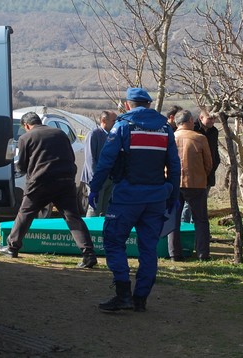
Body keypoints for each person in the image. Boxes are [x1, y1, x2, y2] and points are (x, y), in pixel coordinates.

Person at [88, 87, 180, 313]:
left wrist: (95, 188)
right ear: (148, 104)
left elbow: (106, 161)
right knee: (148, 248)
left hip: (126, 198)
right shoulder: (165, 129)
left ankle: (123, 295)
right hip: (156, 198)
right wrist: (173, 195)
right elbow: (174, 165)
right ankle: (140, 299)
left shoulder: (123, 126)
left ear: (128, 105)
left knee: (113, 241)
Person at [0, 112, 98, 269]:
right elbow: (70, 157)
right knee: (73, 218)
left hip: (40, 182)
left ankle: (12, 247)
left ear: (26, 125)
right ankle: (89, 254)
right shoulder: (60, 133)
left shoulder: (26, 138)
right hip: (65, 181)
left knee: (25, 214)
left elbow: (22, 166)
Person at [167, 110, 213, 261]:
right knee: (200, 220)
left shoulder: (170, 138)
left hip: (173, 183)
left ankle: (174, 253)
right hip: (196, 183)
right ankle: (202, 253)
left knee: (173, 219)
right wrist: (201, 174)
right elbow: (208, 163)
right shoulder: (200, 138)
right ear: (190, 121)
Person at [82, 110, 117, 217]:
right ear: (104, 120)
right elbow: (90, 160)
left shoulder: (113, 136)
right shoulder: (94, 134)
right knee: (95, 208)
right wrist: (95, 180)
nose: (116, 123)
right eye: (113, 121)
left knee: (107, 210)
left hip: (109, 179)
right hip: (96, 179)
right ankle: (90, 228)